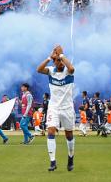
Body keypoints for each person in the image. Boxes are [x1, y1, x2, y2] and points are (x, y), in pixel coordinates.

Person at [36, 44, 76, 172]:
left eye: (61, 60)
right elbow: (38, 69)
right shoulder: (51, 71)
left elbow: (72, 68)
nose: (60, 62)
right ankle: (53, 161)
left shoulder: (67, 71)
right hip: (54, 107)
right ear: (54, 62)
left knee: (69, 134)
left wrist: (62, 55)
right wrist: (49, 57)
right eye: (57, 60)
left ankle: (70, 158)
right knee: (51, 131)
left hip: (67, 107)